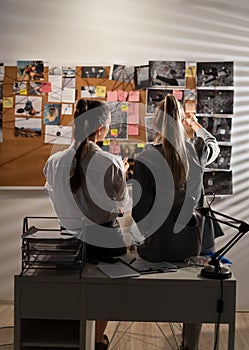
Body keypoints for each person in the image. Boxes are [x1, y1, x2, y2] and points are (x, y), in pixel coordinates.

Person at [132, 94, 220, 350]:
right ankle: (189, 345)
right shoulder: (198, 149)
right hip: (195, 245)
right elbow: (213, 143)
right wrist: (195, 126)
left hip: (159, 248)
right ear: (181, 121)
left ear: (156, 124)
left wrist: (154, 234)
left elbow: (140, 212)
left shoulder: (146, 158)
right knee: (196, 298)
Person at [43, 99, 130, 350]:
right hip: (105, 244)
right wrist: (121, 174)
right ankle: (96, 340)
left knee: (75, 293)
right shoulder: (110, 162)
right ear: (101, 128)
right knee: (105, 296)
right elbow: (119, 207)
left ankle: (76, 338)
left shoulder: (54, 162)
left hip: (68, 242)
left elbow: (57, 196)